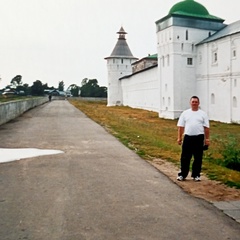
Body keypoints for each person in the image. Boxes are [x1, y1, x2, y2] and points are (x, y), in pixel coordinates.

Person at [177, 96, 210, 181]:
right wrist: (179, 138)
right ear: (190, 103)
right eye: (193, 102)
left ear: (198, 103)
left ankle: (196, 175)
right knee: (185, 157)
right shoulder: (185, 113)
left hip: (199, 138)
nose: (194, 103)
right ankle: (182, 175)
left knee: (198, 157)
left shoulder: (203, 114)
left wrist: (207, 139)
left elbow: (206, 127)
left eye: (196, 102)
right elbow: (181, 127)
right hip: (188, 137)